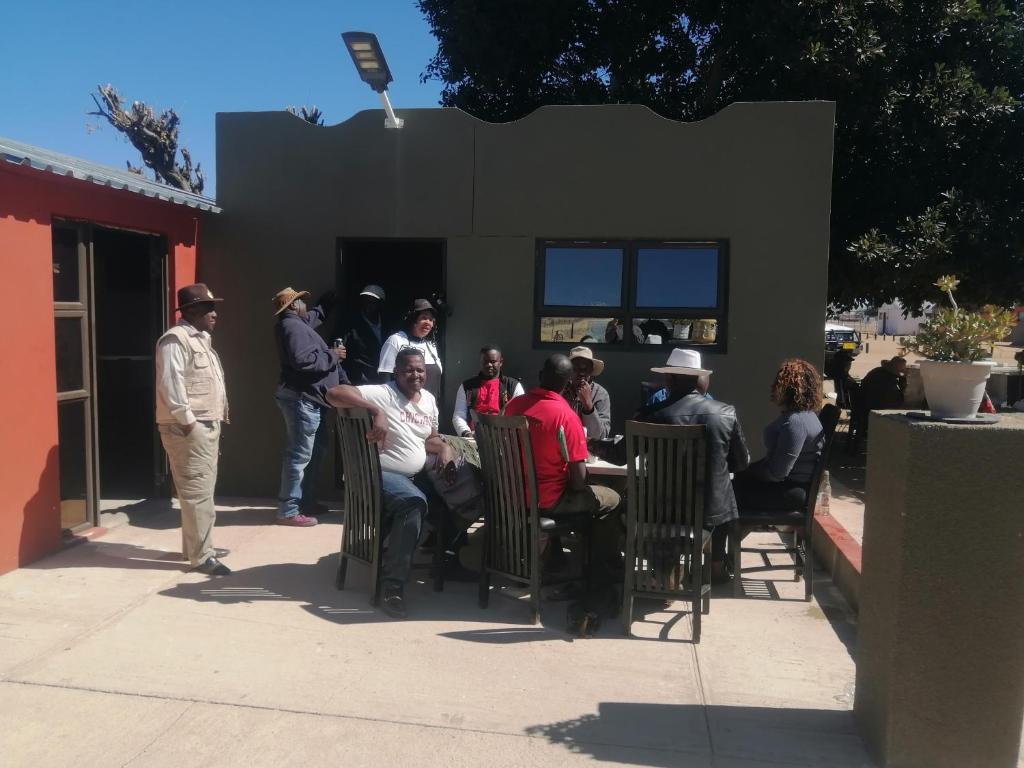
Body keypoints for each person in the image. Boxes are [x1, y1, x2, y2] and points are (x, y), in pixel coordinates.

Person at [328, 348, 458, 619]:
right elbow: (334, 393)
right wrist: (376, 411)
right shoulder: (383, 394)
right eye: (409, 369)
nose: (415, 375)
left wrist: (444, 448)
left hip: (411, 478)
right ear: (397, 372)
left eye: (420, 370)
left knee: (457, 498)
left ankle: (444, 562)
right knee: (413, 504)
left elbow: (428, 438)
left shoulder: (429, 401)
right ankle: (392, 586)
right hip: (377, 475)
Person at [635, 348, 750, 579]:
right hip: (708, 516)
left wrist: (593, 444)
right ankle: (713, 567)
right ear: (699, 380)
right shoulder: (726, 414)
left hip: (658, 514)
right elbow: (741, 462)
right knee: (723, 492)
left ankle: (661, 570)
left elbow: (620, 456)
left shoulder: (652, 414)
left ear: (669, 379)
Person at [505, 355, 620, 563]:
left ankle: (553, 556)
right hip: (549, 501)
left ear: (540, 376)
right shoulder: (566, 417)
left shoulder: (513, 406)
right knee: (612, 498)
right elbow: (578, 483)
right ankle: (599, 571)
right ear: (568, 381)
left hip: (513, 497)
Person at [155, 284, 231, 576]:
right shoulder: (175, 340)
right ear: (193, 311)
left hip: (204, 423)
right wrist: (188, 422)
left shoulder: (201, 339)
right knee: (198, 491)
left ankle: (196, 547)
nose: (215, 314)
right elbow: (171, 383)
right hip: (189, 427)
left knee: (200, 490)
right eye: (210, 308)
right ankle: (203, 556)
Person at [272, 286, 347, 527]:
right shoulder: (291, 326)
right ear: (294, 306)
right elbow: (303, 361)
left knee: (314, 452)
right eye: (303, 302)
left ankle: (305, 502)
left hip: (311, 400)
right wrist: (333, 355)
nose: (307, 305)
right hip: (301, 400)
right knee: (299, 455)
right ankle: (289, 509)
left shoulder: (299, 323)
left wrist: (327, 303)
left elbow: (316, 316)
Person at [732, 358, 825, 513]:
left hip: (790, 491)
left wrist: (749, 471)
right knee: (734, 483)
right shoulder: (803, 416)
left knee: (725, 496)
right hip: (790, 487)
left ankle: (718, 536)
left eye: (778, 383)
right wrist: (746, 470)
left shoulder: (796, 422)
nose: (772, 387)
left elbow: (777, 473)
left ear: (790, 389)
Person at [378, 299, 443, 402]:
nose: (428, 323)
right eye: (424, 318)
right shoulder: (396, 340)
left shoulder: (431, 346)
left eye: (431, 320)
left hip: (428, 410)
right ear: (413, 319)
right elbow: (384, 378)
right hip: (402, 409)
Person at [452, 345, 525, 436]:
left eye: (493, 362)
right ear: (480, 362)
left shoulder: (513, 386)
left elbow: (519, 416)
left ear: (501, 362)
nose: (489, 365)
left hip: (504, 438)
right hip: (474, 437)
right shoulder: (467, 386)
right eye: (485, 362)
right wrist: (466, 433)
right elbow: (459, 416)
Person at [341, 284, 388, 385]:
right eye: (366, 300)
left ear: (380, 304)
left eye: (373, 301)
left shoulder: (388, 323)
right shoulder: (351, 324)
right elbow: (341, 351)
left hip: (384, 378)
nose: (368, 304)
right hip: (360, 378)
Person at [565, 345, 611, 441]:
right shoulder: (562, 390)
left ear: (592, 370)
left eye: (586, 368)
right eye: (576, 368)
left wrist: (588, 406)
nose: (581, 373)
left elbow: (602, 435)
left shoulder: (600, 394)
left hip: (589, 449)